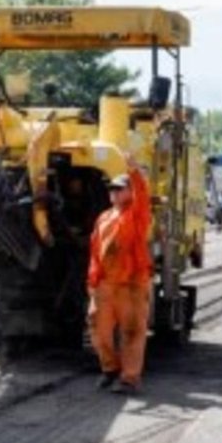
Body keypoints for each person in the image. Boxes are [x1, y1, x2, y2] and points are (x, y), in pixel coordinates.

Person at [87, 163, 153, 394]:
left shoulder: (137, 214)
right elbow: (95, 251)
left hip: (131, 284)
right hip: (105, 283)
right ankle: (110, 369)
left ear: (130, 191)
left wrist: (134, 173)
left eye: (119, 188)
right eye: (112, 189)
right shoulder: (103, 218)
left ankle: (129, 378)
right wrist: (93, 281)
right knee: (97, 328)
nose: (114, 192)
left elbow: (142, 196)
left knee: (132, 332)